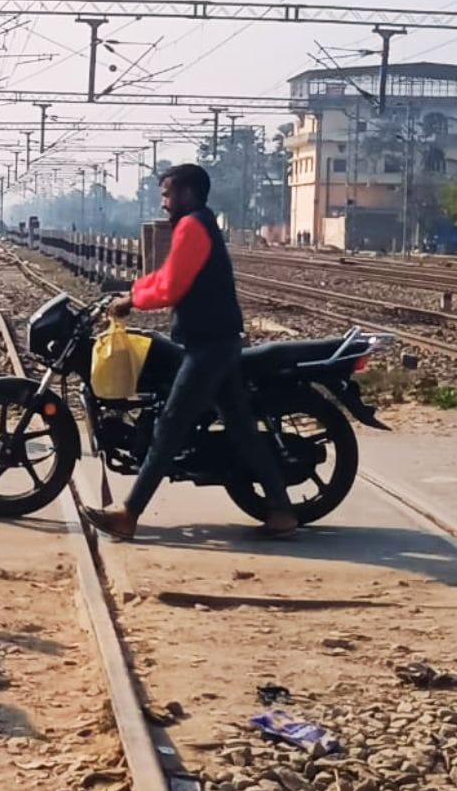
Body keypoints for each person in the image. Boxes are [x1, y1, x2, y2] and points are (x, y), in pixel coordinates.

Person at [81, 164, 300, 541]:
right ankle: (281, 510)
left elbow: (170, 288)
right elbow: (166, 276)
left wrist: (131, 301)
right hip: (217, 340)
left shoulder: (193, 226)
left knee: (170, 425)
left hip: (209, 346)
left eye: (168, 194)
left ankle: (128, 513)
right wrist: (131, 291)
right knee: (242, 427)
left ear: (188, 193)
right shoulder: (198, 224)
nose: (163, 202)